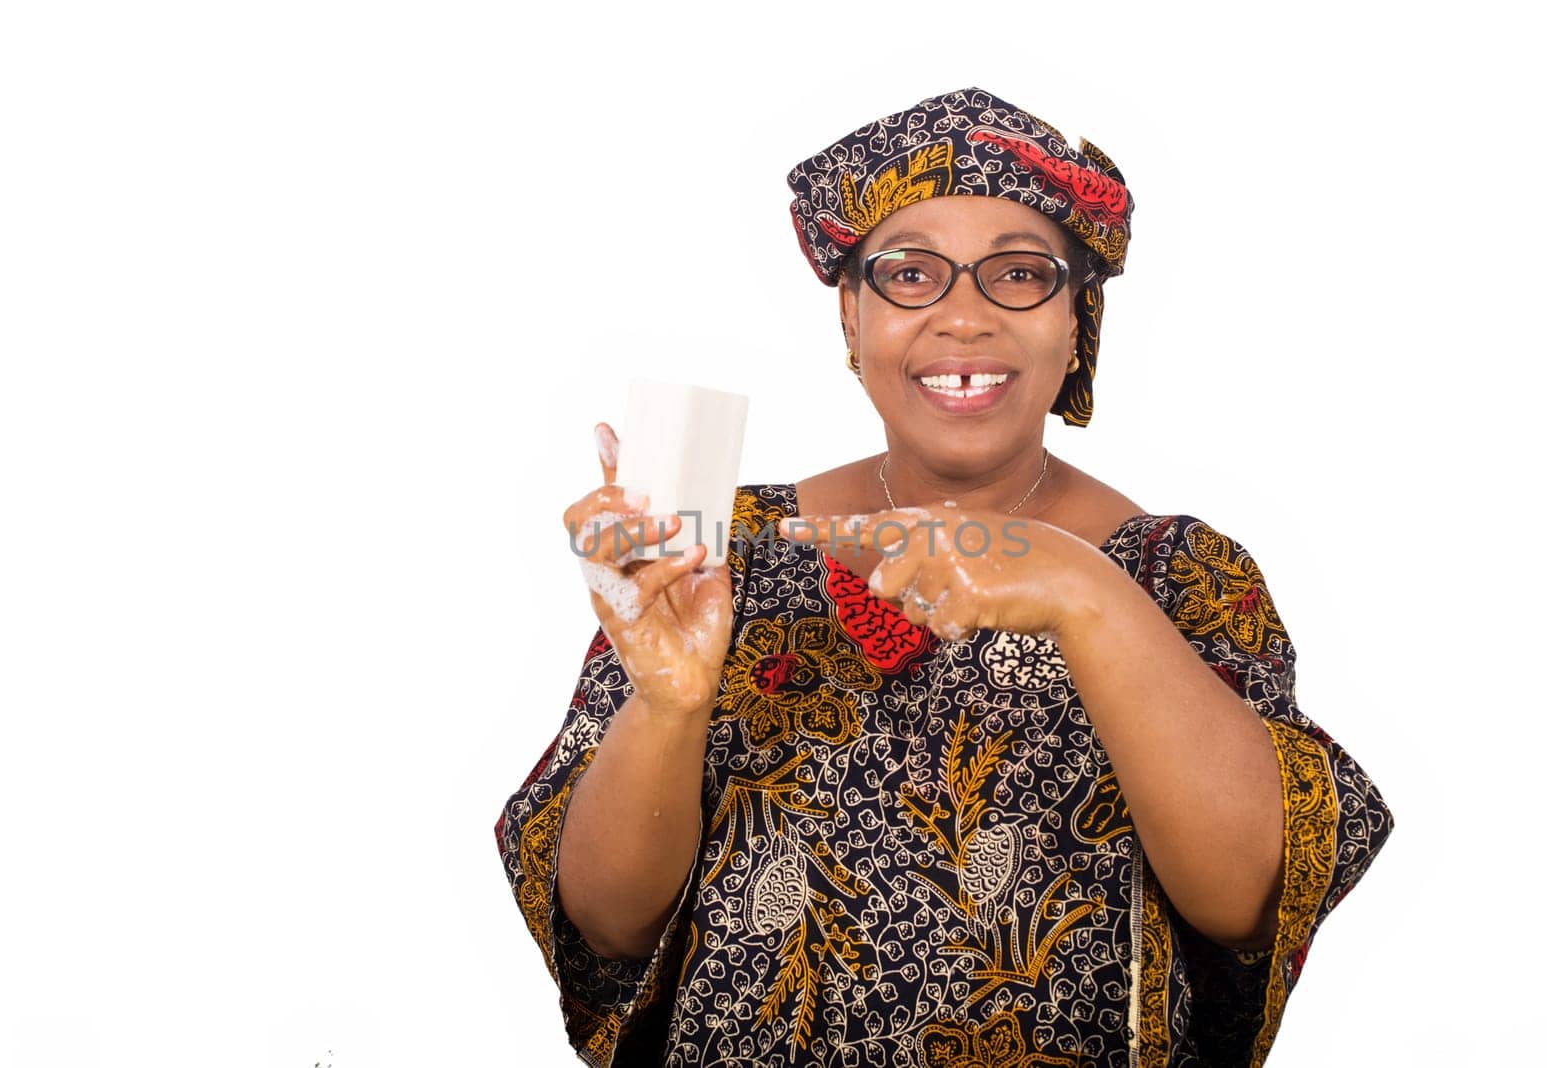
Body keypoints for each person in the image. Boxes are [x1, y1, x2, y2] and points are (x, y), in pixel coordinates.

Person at [495, 87, 1393, 1067]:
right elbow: (608, 929)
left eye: (1017, 275)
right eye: (911, 274)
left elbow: (1250, 903)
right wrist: (669, 706)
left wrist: (1083, 594)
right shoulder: (720, 555)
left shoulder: (1177, 576)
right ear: (852, 314)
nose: (963, 318)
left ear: (1076, 320)